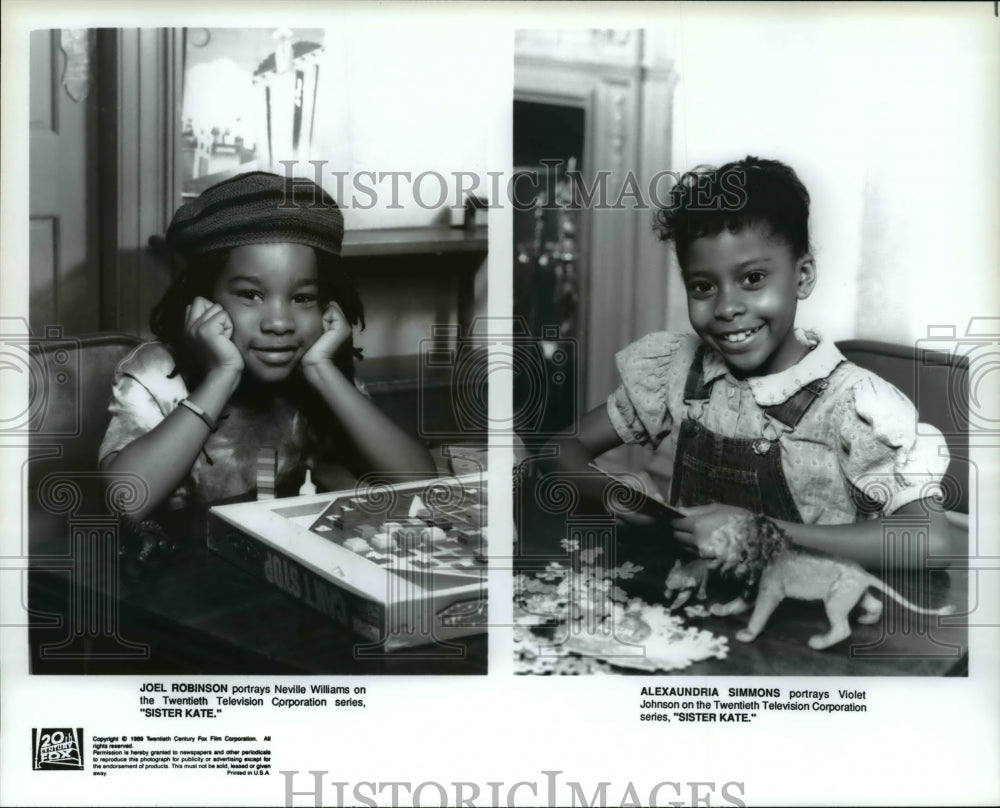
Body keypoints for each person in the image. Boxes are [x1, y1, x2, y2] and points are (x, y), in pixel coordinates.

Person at [552, 156, 956, 570]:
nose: (727, 307)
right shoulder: (678, 371)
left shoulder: (852, 403)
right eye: (704, 286)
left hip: (802, 621)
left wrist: (761, 533)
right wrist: (612, 491)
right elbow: (561, 448)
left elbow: (934, 542)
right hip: (692, 609)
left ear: (802, 277)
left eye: (753, 279)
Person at [100, 171, 437, 526]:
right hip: (179, 572)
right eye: (250, 295)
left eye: (303, 298)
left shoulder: (315, 366)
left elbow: (420, 484)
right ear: (201, 299)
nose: (279, 322)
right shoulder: (154, 373)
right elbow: (125, 500)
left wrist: (323, 372)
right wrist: (221, 375)